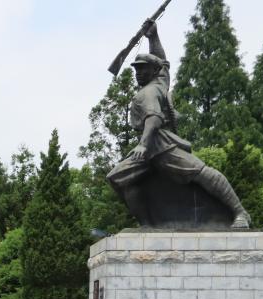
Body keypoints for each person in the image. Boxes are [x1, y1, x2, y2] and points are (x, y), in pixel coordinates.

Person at [106, 20, 251, 229]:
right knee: (119, 178)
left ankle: (240, 212)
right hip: (149, 149)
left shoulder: (147, 93)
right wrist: (153, 37)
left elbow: (153, 118)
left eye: (143, 69)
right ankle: (147, 226)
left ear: (153, 71)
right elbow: (162, 61)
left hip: (159, 145)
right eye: (137, 69)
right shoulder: (160, 82)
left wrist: (143, 145)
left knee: (201, 172)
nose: (138, 73)